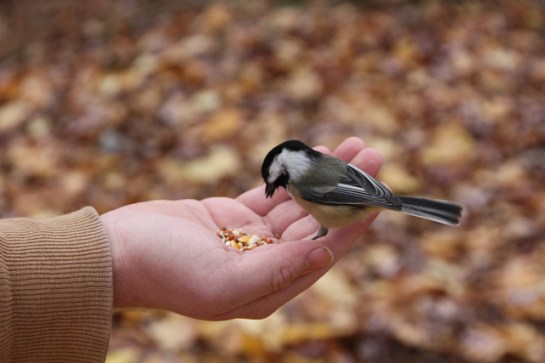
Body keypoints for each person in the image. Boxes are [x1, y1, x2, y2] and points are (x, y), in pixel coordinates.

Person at [0, 137, 383, 363]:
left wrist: (114, 255)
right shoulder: (307, 174)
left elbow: (345, 190)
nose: (275, 190)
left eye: (275, 182)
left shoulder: (305, 180)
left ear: (286, 170)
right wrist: (119, 253)